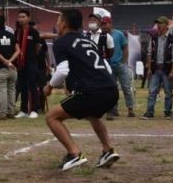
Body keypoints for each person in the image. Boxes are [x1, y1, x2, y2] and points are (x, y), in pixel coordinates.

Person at [44, 9, 120, 171]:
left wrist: (49, 86)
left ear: (64, 23)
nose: (57, 24)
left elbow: (63, 70)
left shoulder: (61, 42)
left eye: (58, 20)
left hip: (93, 91)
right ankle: (108, 150)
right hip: (111, 89)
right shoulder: (88, 41)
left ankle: (74, 154)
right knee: (92, 115)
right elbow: (104, 64)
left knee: (52, 116)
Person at [142, 16, 173, 119]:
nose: (158, 25)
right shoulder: (153, 38)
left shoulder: (172, 40)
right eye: (157, 23)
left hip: (167, 69)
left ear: (166, 25)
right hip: (155, 69)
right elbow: (149, 54)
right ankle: (149, 112)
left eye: (161, 23)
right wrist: (149, 69)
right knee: (152, 91)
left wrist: (172, 71)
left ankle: (167, 112)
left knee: (168, 92)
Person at [101, 17, 135, 119]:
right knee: (112, 89)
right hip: (108, 65)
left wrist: (124, 61)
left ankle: (130, 109)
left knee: (126, 88)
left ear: (110, 24)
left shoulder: (119, 34)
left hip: (120, 65)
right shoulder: (102, 36)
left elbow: (125, 47)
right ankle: (114, 109)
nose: (104, 26)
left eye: (105, 24)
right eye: (102, 24)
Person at [0, 14, 20, 120]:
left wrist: (4, 61)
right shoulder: (11, 35)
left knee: (2, 90)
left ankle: (2, 113)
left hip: (0, 67)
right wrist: (10, 61)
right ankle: (11, 112)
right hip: (12, 67)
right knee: (12, 89)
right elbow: (18, 50)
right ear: (4, 23)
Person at [15, 10, 42, 118]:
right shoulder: (17, 32)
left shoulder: (33, 32)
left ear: (28, 18)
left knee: (32, 85)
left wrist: (32, 56)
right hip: (20, 64)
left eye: (23, 17)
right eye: (19, 17)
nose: (21, 19)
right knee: (22, 86)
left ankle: (35, 109)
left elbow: (38, 47)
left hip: (31, 62)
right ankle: (23, 110)